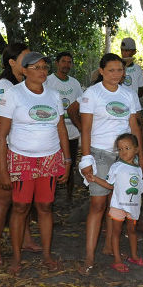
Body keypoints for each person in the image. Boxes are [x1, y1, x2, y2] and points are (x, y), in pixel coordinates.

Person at [0, 52, 71, 274]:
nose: (42, 71)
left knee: (46, 206)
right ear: (24, 70)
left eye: (45, 67)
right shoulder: (13, 95)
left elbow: (61, 129)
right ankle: (17, 258)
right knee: (20, 207)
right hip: (21, 159)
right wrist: (3, 170)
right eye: (36, 67)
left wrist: (66, 160)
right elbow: (1, 136)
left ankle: (47, 255)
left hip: (50, 158)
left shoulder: (54, 96)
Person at [78, 53, 143, 274]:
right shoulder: (92, 94)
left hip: (125, 156)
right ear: (101, 71)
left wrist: (141, 157)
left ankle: (109, 246)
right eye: (111, 70)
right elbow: (86, 129)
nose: (117, 74)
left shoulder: (128, 94)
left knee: (116, 203)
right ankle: (89, 257)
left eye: (120, 70)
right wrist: (86, 158)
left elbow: (135, 127)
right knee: (98, 205)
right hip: (100, 153)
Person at [0, 42, 42, 265]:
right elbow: (5, 117)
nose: (30, 63)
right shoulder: (3, 86)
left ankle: (25, 238)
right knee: (4, 197)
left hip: (26, 150)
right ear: (11, 62)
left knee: (24, 197)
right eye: (25, 59)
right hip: (6, 148)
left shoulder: (28, 85)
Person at [88, 134, 143, 272]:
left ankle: (134, 256)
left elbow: (139, 189)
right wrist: (95, 179)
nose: (123, 152)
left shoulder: (138, 169)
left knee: (132, 231)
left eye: (127, 148)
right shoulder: (116, 166)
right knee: (116, 232)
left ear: (136, 149)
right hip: (118, 206)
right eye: (120, 149)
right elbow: (110, 185)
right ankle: (117, 260)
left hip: (133, 206)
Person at [44, 51, 83, 201]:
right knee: (51, 165)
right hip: (53, 132)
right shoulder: (47, 81)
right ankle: (50, 196)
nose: (66, 65)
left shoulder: (75, 83)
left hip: (72, 132)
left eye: (69, 62)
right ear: (57, 63)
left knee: (70, 163)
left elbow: (80, 105)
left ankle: (68, 197)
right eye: (63, 61)